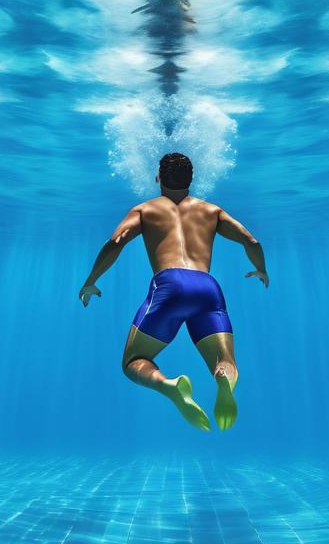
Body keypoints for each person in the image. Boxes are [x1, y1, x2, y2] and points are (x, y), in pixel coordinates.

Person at [79, 152, 268, 431]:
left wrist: (91, 279)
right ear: (191, 179)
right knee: (224, 360)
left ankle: (170, 386)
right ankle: (224, 381)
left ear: (159, 178)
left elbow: (116, 241)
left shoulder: (145, 210)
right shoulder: (211, 211)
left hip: (170, 285)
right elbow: (250, 240)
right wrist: (261, 269)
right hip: (207, 288)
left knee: (133, 361)